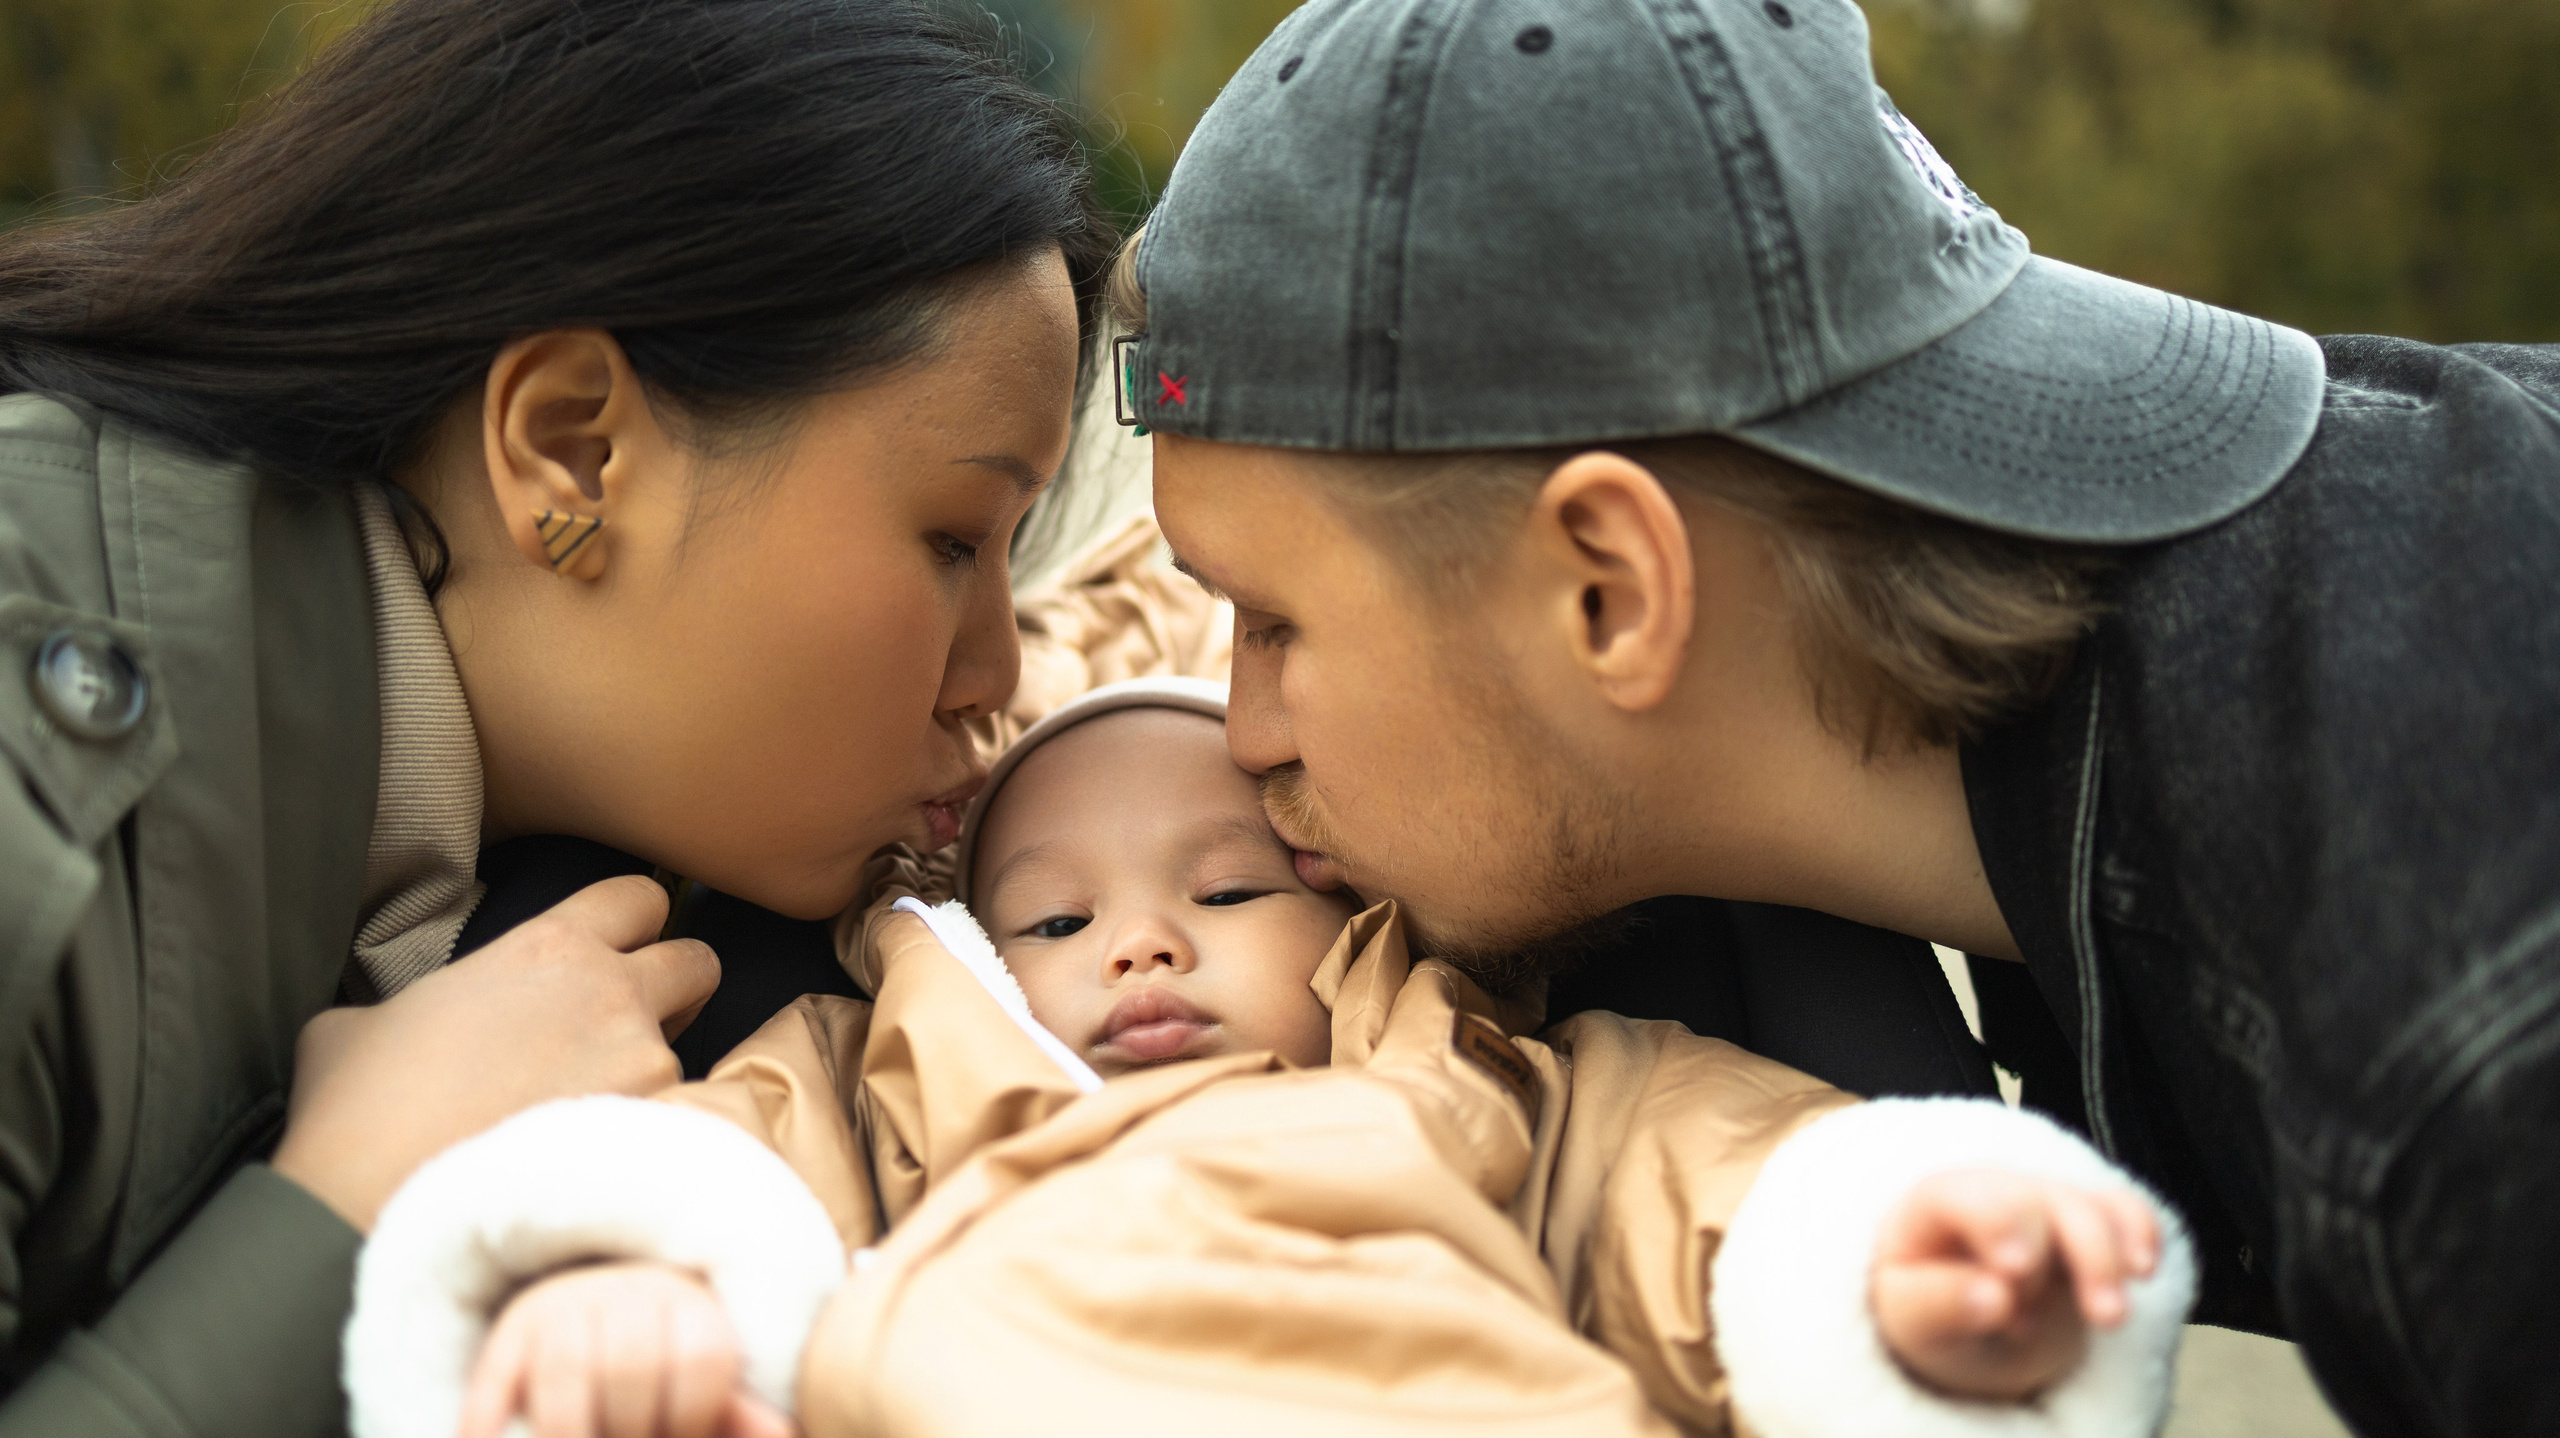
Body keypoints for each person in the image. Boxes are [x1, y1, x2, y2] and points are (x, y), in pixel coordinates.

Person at [1106, 1, 2560, 1434]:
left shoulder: (2469, 1041)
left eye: (1273, 622)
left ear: (1608, 591)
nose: (1246, 731)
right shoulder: (2372, 537)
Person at [0, 0, 1104, 1429]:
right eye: (957, 540)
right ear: (569, 449)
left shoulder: (534, 835)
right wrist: (339, 1202)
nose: (1000, 672)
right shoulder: (42, 777)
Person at [346, 679, 2192, 1438]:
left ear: (1356, 910)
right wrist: (618, 1288)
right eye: (1052, 926)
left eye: (1225, 886)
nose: (1139, 940)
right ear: (976, 954)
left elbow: (1727, 1179)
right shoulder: (882, 1082)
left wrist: (1907, 1253)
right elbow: (713, 1170)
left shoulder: (1492, 1083)